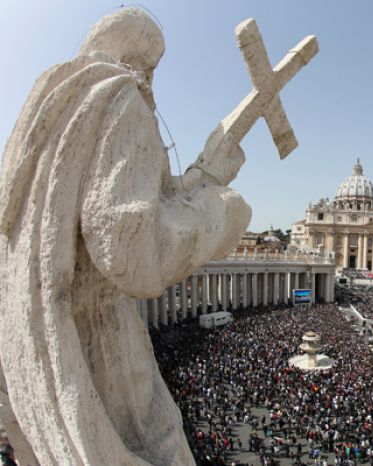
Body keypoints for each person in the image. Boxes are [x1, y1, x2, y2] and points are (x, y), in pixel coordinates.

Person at [0, 7, 251, 466]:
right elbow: (133, 247)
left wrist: (206, 172)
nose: (152, 86)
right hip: (101, 349)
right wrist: (221, 212)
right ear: (146, 61)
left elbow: (142, 200)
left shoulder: (46, 112)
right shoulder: (119, 98)